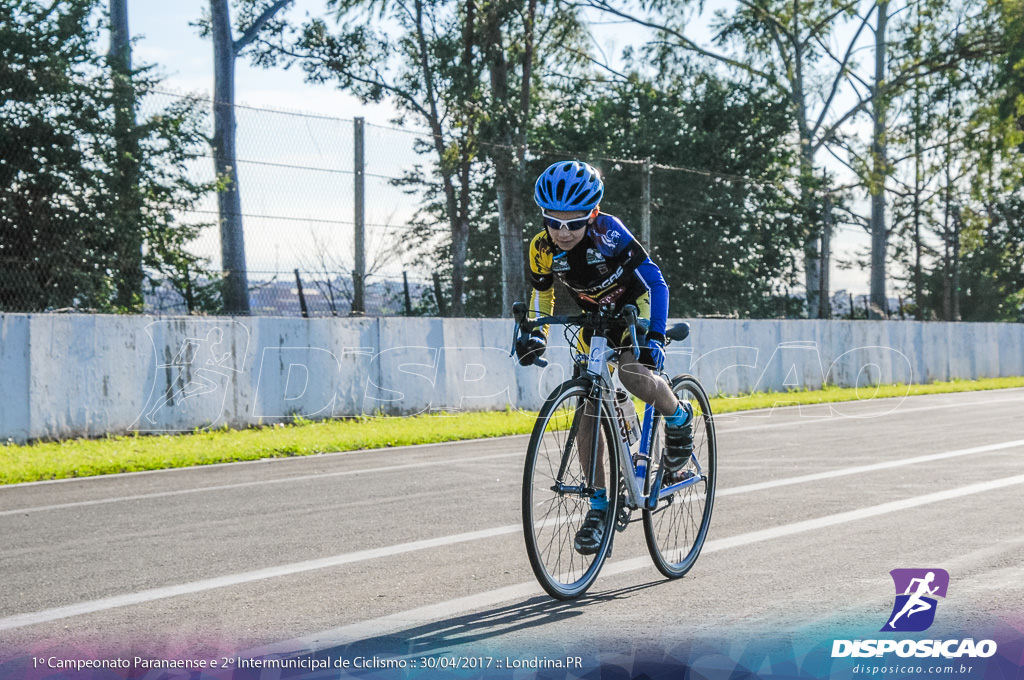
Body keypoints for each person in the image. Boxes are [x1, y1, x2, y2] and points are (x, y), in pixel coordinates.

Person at [515, 159, 693, 555]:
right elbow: (541, 293)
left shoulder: (608, 233)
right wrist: (535, 333)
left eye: (574, 223)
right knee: (590, 411)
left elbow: (655, 280)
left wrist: (656, 336)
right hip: (593, 317)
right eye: (553, 221)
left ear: (592, 214)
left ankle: (679, 418)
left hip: (635, 306)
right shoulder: (540, 248)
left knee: (632, 374)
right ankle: (599, 507)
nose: (562, 232)